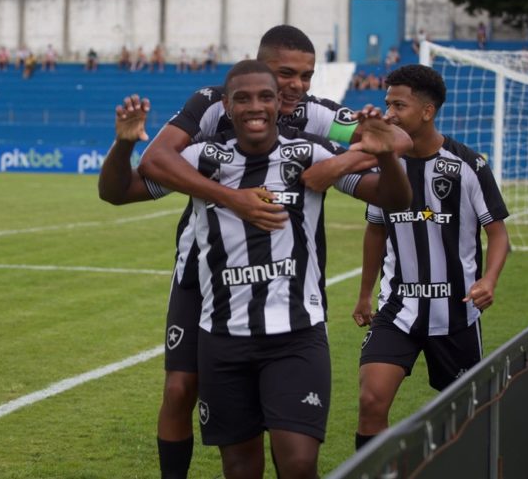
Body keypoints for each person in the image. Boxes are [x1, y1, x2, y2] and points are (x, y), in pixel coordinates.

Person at [100, 24, 412, 479]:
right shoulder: (212, 107)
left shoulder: (314, 122)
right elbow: (153, 163)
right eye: (285, 74)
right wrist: (232, 198)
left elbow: (397, 141)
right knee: (181, 389)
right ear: (252, 73)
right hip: (203, 272)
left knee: (294, 451)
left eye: (306, 75)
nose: (296, 86)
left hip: (288, 295)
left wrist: (339, 163)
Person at [352, 64, 509, 450]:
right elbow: (376, 230)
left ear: (427, 111)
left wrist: (488, 280)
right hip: (398, 309)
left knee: (468, 418)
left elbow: (498, 234)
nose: (389, 114)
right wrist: (365, 294)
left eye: (399, 105)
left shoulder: (468, 165)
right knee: (371, 401)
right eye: (387, 104)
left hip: (456, 312)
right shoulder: (385, 164)